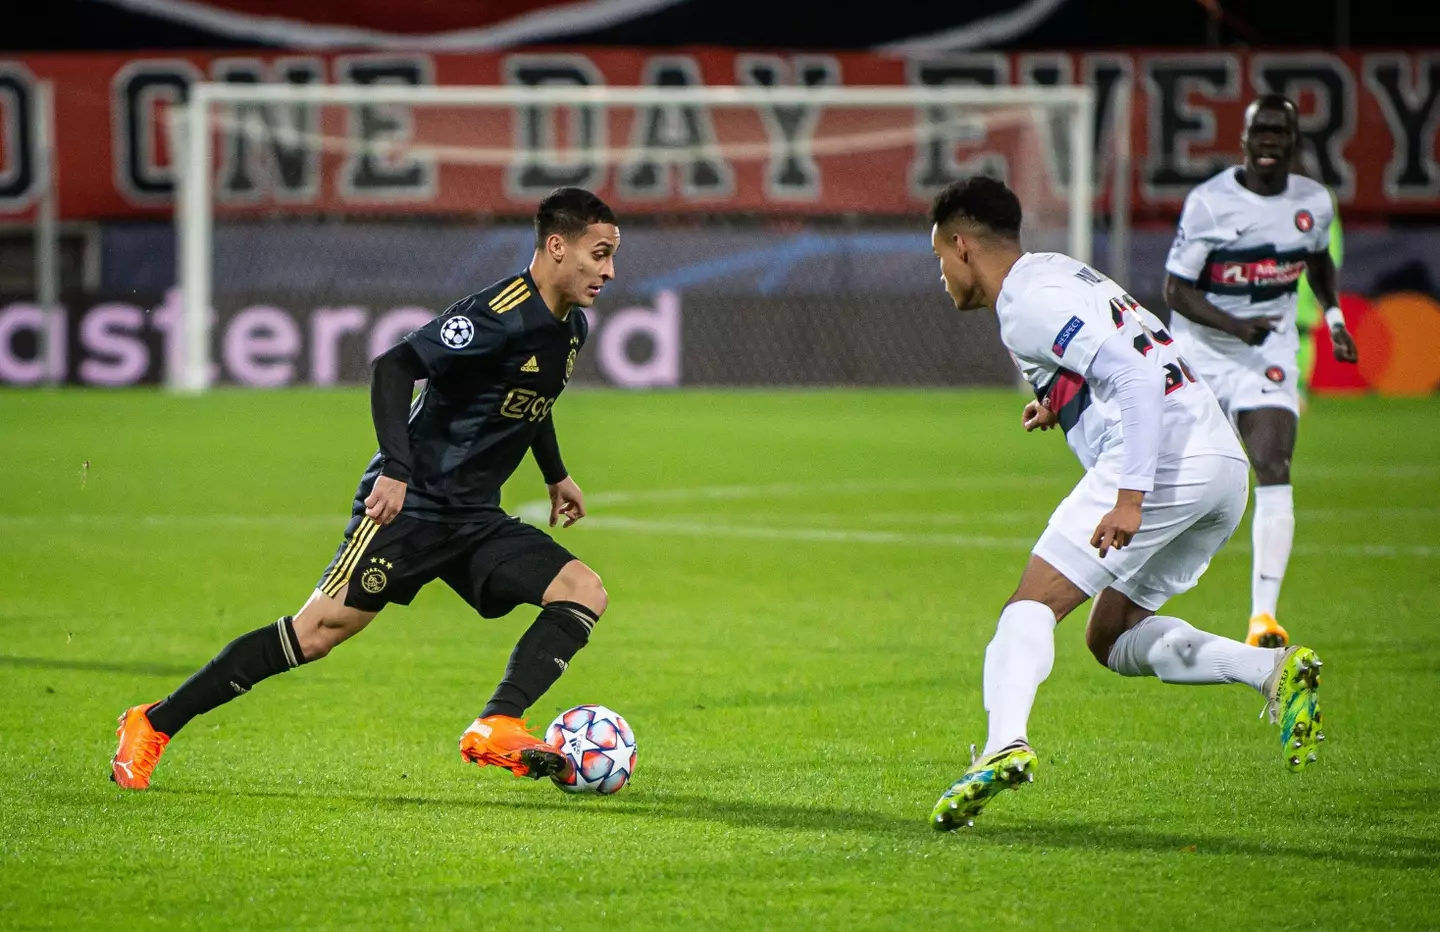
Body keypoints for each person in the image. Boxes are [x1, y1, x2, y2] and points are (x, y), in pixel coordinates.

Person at [110, 186, 619, 790]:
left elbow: (531, 403)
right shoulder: (498, 313)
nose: (609, 271)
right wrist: (396, 472)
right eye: (600, 253)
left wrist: (555, 473)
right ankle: (153, 723)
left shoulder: (570, 328)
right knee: (316, 634)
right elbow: (393, 367)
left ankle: (499, 722)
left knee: (582, 590)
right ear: (557, 246)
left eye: (613, 256)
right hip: (409, 508)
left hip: (474, 517)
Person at [925, 176, 1324, 831]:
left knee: (1029, 607)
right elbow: (1127, 352)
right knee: (1109, 636)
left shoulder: (1024, 304)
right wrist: (1059, 401)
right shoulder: (1060, 274)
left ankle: (1002, 745)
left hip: (1161, 462)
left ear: (963, 246)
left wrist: (1130, 498)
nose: (940, 273)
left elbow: (1135, 376)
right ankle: (1272, 671)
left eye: (939, 256)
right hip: (1219, 463)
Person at [1163, 94, 1358, 649]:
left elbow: (1318, 261)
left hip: (1266, 354)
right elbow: (1175, 289)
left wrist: (1336, 317)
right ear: (1244, 141)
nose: (1269, 141)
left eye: (1280, 131)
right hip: (1200, 349)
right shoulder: (1209, 203)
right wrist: (1232, 323)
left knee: (1273, 462)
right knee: (1177, 471)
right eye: (1260, 132)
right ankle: (1135, 580)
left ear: (1294, 141)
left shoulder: (1314, 203)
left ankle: (1262, 619)